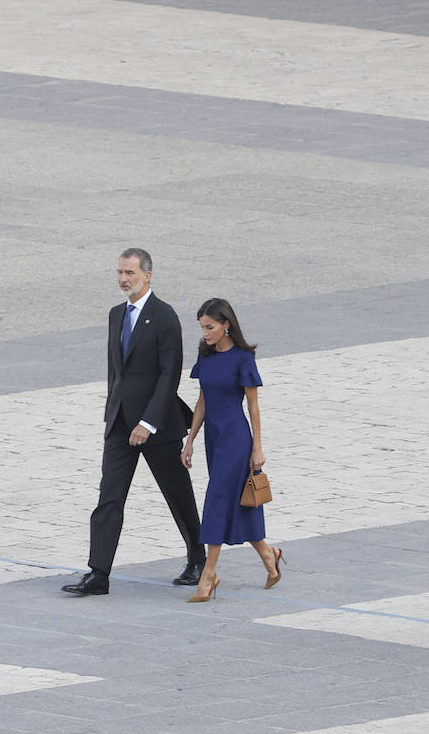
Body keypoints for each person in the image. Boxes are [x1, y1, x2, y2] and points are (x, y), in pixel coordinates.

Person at [62, 248, 205, 596]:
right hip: (120, 425)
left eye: (130, 273)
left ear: (148, 275)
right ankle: (98, 573)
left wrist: (149, 422)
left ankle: (199, 558)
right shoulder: (116, 315)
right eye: (120, 272)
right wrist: (113, 414)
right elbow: (117, 372)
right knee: (109, 497)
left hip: (157, 426)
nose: (124, 279)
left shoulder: (164, 316)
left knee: (178, 495)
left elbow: (169, 375)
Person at [180, 298, 282, 602]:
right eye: (202, 328)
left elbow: (253, 407)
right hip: (214, 439)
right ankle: (269, 554)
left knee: (216, 500)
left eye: (210, 327)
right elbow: (202, 402)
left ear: (226, 325)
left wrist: (258, 448)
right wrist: (190, 440)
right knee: (237, 503)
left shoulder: (242, 359)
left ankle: (209, 574)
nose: (205, 333)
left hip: (237, 439)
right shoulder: (206, 356)